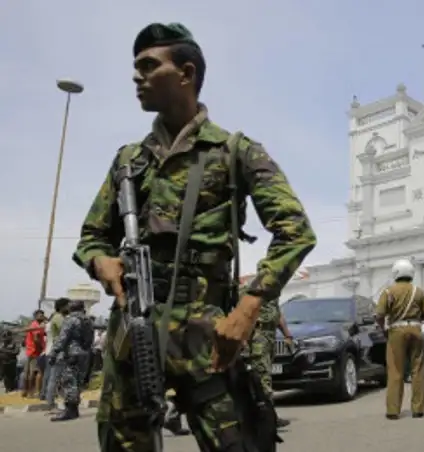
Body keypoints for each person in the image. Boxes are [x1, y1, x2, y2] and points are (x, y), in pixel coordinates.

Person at [72, 22, 316, 451]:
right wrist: (99, 260)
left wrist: (248, 308)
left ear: (186, 73)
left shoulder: (235, 151)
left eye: (150, 66)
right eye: (136, 67)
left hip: (209, 335)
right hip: (134, 330)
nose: (137, 76)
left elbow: (295, 231)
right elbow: (92, 235)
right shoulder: (129, 161)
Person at [375, 259, 424, 420]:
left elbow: (379, 315)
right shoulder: (418, 291)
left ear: (395, 273)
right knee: (417, 369)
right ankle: (418, 409)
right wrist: (416, 320)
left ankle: (393, 410)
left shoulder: (388, 292)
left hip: (396, 330)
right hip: (416, 329)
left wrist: (384, 328)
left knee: (395, 370)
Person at [244, 289, 293, 429]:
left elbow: (278, 314)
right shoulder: (252, 291)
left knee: (266, 377)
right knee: (262, 378)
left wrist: (287, 335)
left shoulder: (273, 293)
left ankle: (264, 417)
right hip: (258, 337)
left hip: (270, 336)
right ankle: (269, 419)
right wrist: (244, 341)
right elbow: (245, 315)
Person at [49, 300, 94, 422]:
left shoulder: (71, 320)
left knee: (69, 381)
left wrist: (53, 353)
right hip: (85, 353)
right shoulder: (88, 320)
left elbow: (62, 338)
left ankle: (70, 410)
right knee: (78, 382)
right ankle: (74, 409)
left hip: (72, 353)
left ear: (71, 308)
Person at [43, 298, 70, 409]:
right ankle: (50, 403)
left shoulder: (59, 317)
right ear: (62, 306)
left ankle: (60, 401)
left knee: (59, 378)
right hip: (59, 352)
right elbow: (66, 331)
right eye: (68, 305)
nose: (69, 308)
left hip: (58, 351)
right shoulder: (58, 318)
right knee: (55, 378)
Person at [21, 309, 46, 398]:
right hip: (35, 351)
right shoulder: (36, 325)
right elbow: (36, 339)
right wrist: (41, 348)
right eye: (40, 315)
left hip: (30, 350)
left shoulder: (34, 325)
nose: (42, 317)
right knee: (33, 372)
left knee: (27, 372)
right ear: (35, 316)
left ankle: (25, 391)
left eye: (42, 315)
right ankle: (31, 392)